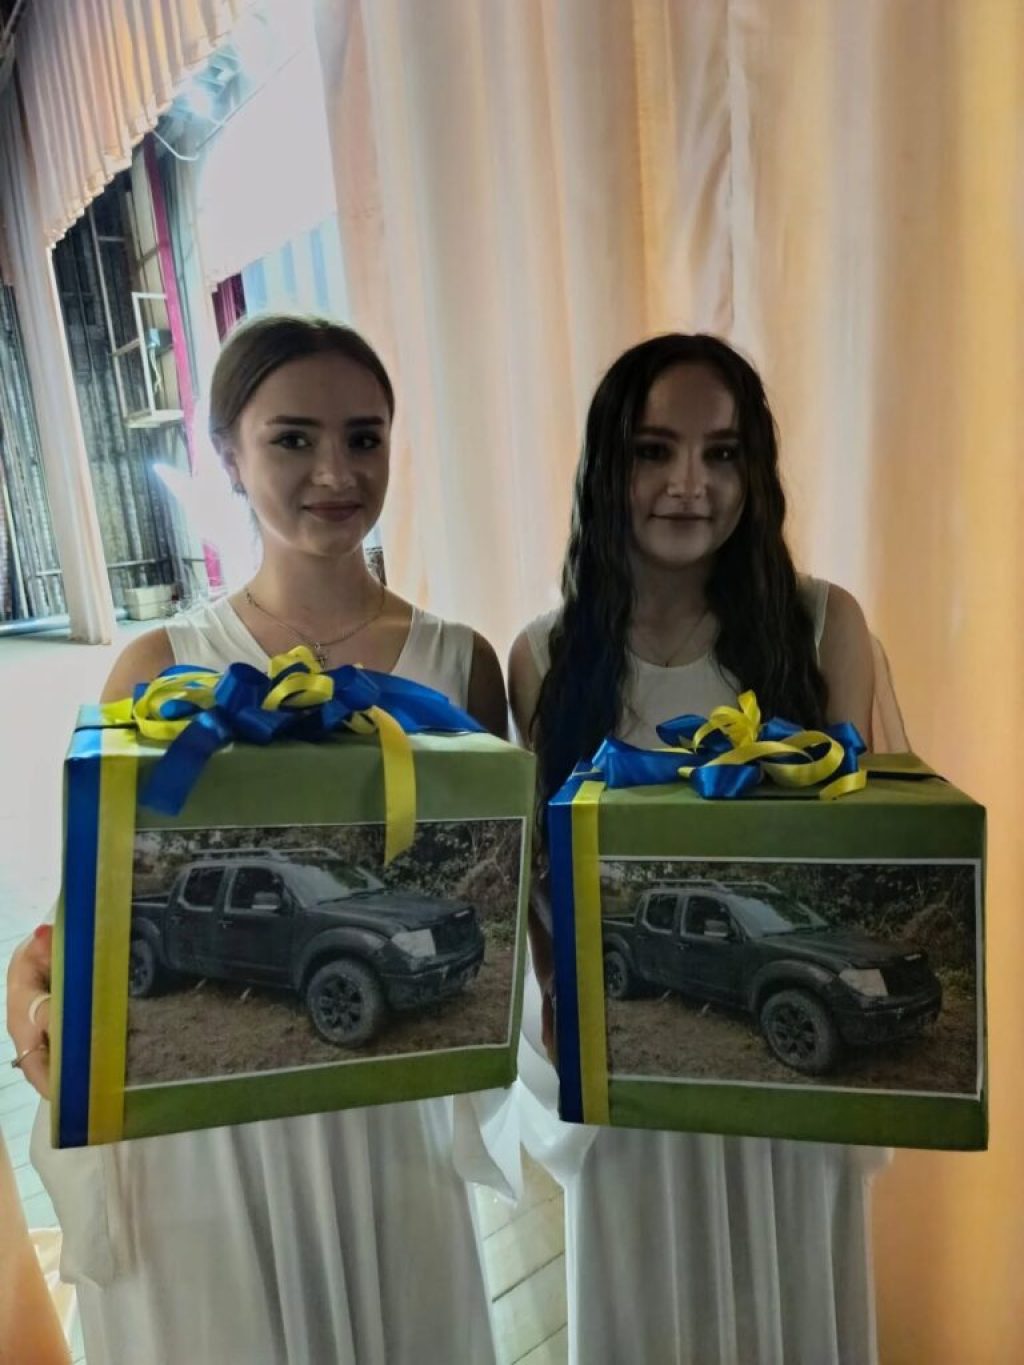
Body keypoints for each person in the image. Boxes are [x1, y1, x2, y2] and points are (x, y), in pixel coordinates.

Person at [5, 314, 513, 1365]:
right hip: (214, 1143)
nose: (335, 471)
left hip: (386, 1111)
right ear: (229, 456)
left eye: (364, 437)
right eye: (292, 439)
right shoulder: (161, 664)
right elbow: (94, 895)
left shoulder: (459, 664)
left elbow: (494, 885)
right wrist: (37, 986)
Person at [509, 333, 889, 1365]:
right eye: (653, 451)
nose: (689, 484)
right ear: (607, 466)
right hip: (632, 1083)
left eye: (721, 453)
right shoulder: (544, 656)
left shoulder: (822, 625)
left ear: (754, 472)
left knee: (789, 1308)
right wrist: (569, 1012)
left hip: (788, 1075)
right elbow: (543, 885)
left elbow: (863, 859)